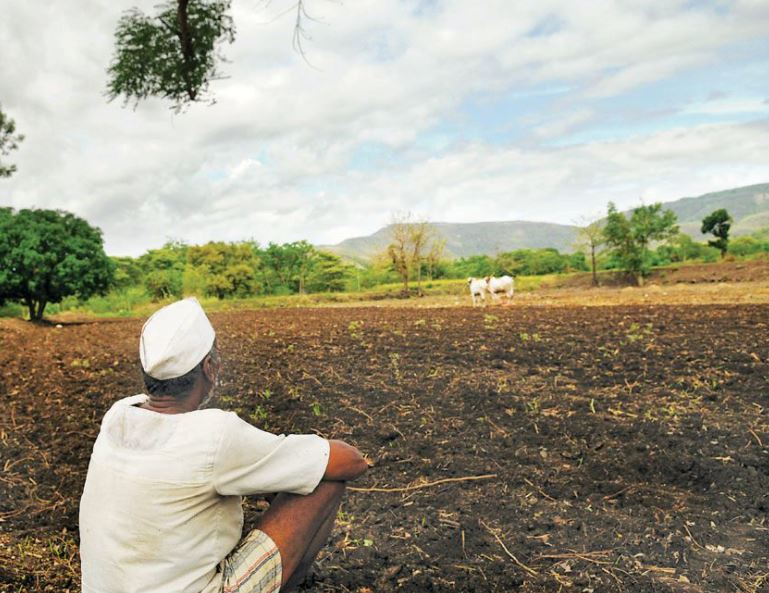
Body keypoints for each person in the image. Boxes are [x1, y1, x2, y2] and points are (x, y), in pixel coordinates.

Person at [79, 297, 368, 593]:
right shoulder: (215, 435)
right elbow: (350, 461)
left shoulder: (117, 415)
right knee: (323, 482)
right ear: (209, 368)